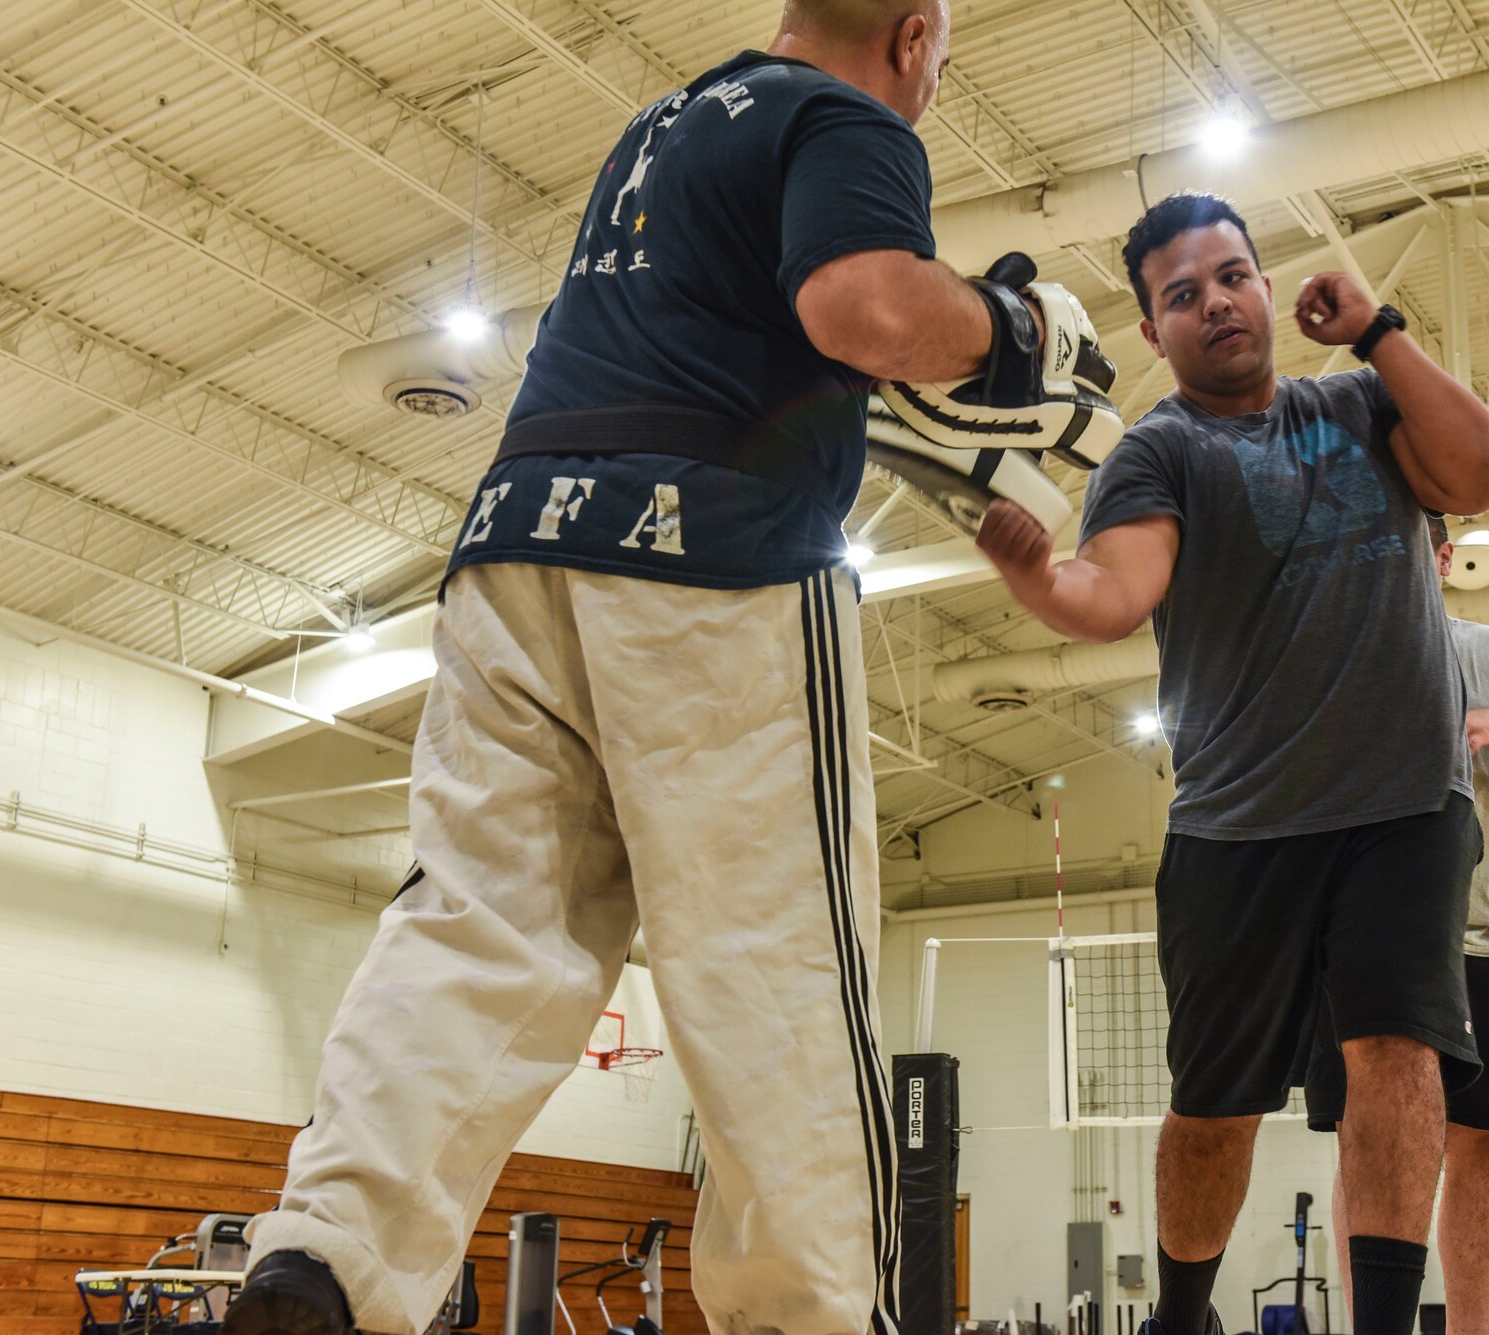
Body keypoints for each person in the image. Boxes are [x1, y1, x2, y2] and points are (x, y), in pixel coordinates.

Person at [221, 5, 1091, 1333]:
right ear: (914, 38)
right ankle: (808, 1314)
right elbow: (863, 307)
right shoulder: (845, 118)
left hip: (516, 543)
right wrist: (1012, 332)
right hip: (710, 551)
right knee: (775, 965)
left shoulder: (664, 124)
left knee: (478, 928)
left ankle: (326, 1261)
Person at [976, 191, 1489, 1335]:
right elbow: (1113, 592)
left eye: (1230, 276)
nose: (1213, 302)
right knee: (1213, 1109)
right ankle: (1180, 1315)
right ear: (1151, 333)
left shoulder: (1366, 402)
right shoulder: (1156, 453)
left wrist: (1379, 330)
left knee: (1394, 1053)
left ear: (1266, 288)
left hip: (1403, 808)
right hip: (1235, 828)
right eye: (1181, 295)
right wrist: (1037, 577)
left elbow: (1477, 476)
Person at [1307, 516, 1489, 1335]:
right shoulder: (1322, 650)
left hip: (1486, 936)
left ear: (1440, 558)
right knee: (1367, 1146)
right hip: (1361, 941)